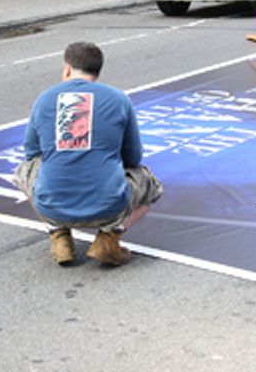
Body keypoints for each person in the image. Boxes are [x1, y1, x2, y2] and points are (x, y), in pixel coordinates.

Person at [15, 42, 163, 266]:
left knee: (23, 170)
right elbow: (133, 157)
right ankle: (108, 238)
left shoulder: (45, 98)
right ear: (98, 71)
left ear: (67, 69)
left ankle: (59, 235)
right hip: (109, 207)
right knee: (150, 182)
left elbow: (31, 152)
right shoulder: (118, 99)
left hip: (52, 205)